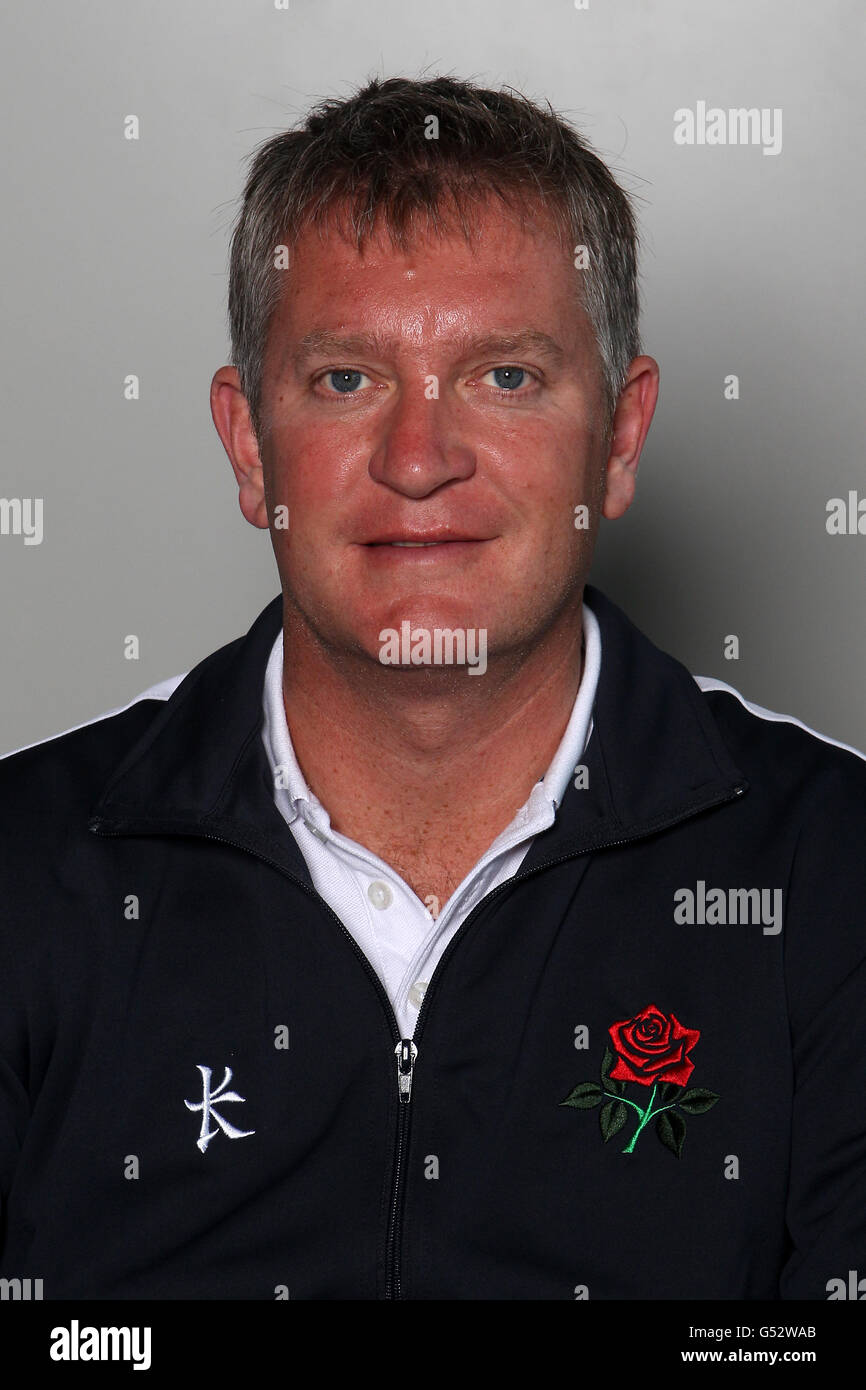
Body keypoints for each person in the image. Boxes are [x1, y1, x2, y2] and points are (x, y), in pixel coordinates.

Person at [1, 75, 864, 1302]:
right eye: (345, 379)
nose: (419, 460)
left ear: (616, 438)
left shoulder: (831, 875)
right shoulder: (28, 870)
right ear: (250, 447)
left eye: (504, 377)